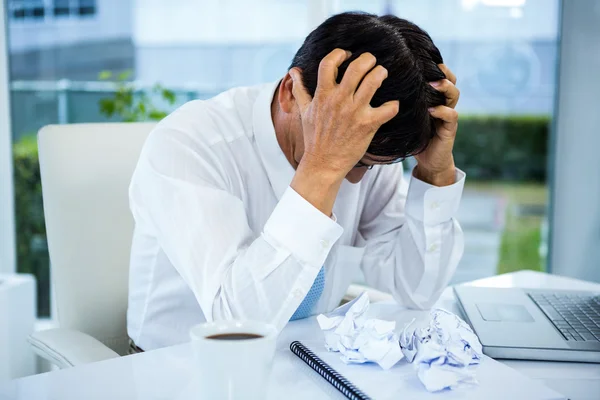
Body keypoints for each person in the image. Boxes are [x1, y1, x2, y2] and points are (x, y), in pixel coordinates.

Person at [127, 12, 465, 352]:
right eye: (356, 160)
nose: (354, 177)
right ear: (291, 92)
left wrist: (435, 175)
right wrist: (324, 166)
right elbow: (235, 323)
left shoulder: (368, 143)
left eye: (368, 163)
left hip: (305, 359)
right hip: (178, 365)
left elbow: (417, 289)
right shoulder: (189, 144)